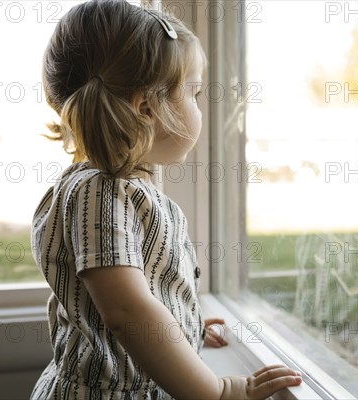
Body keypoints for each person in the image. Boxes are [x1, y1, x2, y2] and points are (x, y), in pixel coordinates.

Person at [30, 1, 303, 398]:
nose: (199, 104)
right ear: (147, 108)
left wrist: (182, 324)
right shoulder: (101, 193)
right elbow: (127, 311)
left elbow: (136, 297)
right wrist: (220, 391)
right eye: (193, 92)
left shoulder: (115, 189)